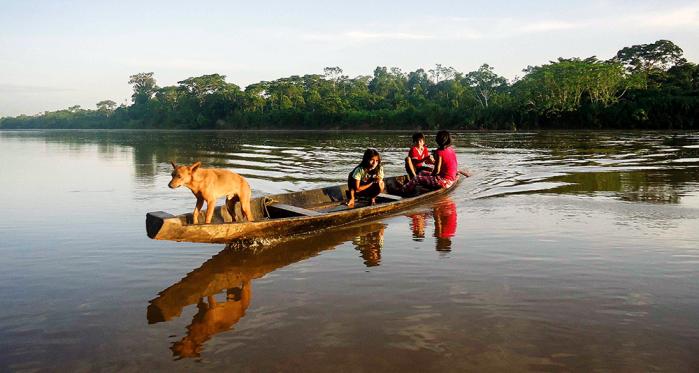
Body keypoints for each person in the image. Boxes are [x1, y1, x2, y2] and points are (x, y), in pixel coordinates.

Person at [403, 130, 470, 193]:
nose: (419, 143)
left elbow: (437, 170)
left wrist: (431, 176)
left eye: (420, 141)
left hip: (444, 182)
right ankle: (417, 184)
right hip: (449, 179)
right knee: (422, 172)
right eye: (417, 141)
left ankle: (403, 190)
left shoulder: (439, 152)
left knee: (417, 178)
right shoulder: (451, 149)